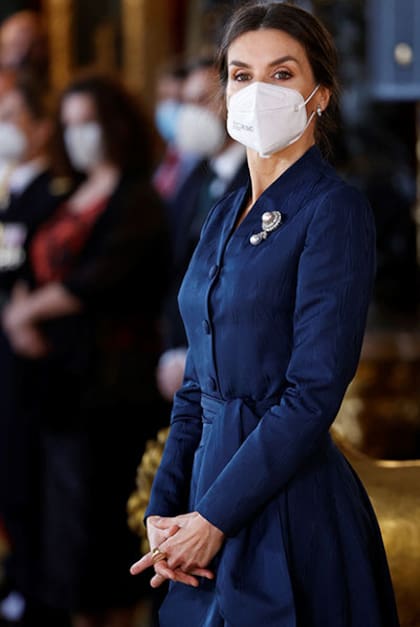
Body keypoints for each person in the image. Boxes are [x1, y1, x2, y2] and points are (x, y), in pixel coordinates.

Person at [130, 3, 400, 627]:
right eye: (240, 74)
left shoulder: (333, 210)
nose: (256, 91)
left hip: (287, 505)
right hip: (202, 504)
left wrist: (214, 518)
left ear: (320, 95)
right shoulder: (223, 214)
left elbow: (312, 393)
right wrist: (165, 509)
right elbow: (197, 384)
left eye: (281, 74)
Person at [2, 73, 170, 627]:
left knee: (100, 544)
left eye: (88, 123)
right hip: (60, 386)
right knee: (65, 538)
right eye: (70, 124)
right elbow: (29, 256)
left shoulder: (139, 198)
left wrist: (28, 311)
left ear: (115, 125)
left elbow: (102, 278)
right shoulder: (67, 192)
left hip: (111, 389)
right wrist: (21, 305)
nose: (78, 136)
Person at [156, 57, 248, 401]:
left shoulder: (260, 179)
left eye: (201, 100)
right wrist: (174, 349)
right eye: (185, 102)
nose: (189, 113)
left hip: (232, 367)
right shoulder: (195, 180)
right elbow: (177, 268)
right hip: (186, 359)